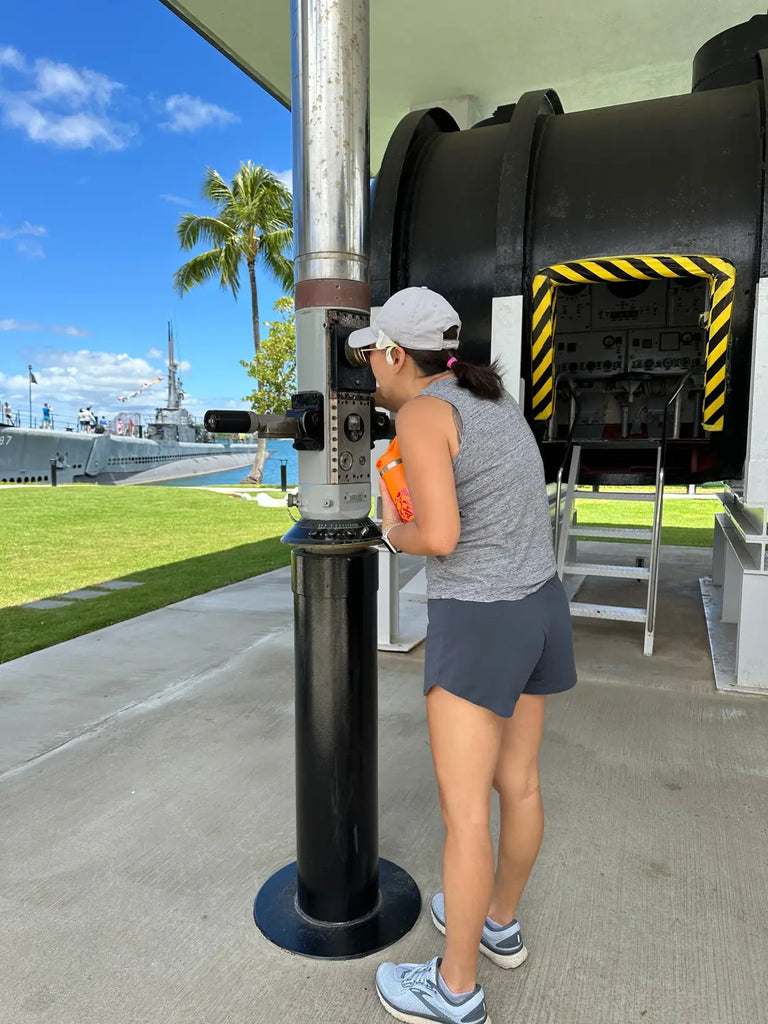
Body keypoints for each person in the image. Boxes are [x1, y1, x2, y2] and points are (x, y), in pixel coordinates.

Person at [347, 287, 577, 1024]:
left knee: (465, 815)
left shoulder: (419, 413)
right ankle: (499, 922)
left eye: (371, 356)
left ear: (392, 353)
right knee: (522, 786)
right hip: (540, 606)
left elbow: (438, 536)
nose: (370, 373)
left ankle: (454, 990)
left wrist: (390, 529)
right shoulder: (495, 401)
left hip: (480, 621)